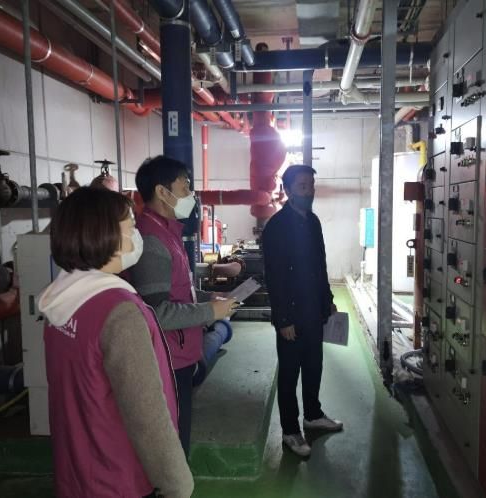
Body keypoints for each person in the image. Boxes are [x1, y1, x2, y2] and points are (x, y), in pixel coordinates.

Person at [38, 187, 193, 498]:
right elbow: (146, 414)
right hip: (120, 478)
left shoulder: (61, 298)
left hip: (76, 469)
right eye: (131, 226)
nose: (137, 235)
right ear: (104, 234)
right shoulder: (119, 311)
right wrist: (177, 483)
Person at [129, 155, 237, 456]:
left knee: (179, 434)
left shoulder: (168, 233)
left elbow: (179, 291)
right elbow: (156, 313)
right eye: (185, 186)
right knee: (173, 443)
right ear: (163, 192)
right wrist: (210, 312)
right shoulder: (152, 240)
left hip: (181, 352)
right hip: (167, 357)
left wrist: (208, 299)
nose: (191, 194)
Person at [262, 164, 343, 458]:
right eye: (302, 186)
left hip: (313, 310)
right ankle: (290, 431)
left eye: (311, 185)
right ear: (287, 190)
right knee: (289, 373)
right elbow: (275, 277)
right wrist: (283, 318)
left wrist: (327, 299)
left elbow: (320, 265)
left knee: (313, 365)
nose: (309, 191)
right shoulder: (276, 227)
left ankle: (313, 414)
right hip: (291, 315)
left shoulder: (313, 222)